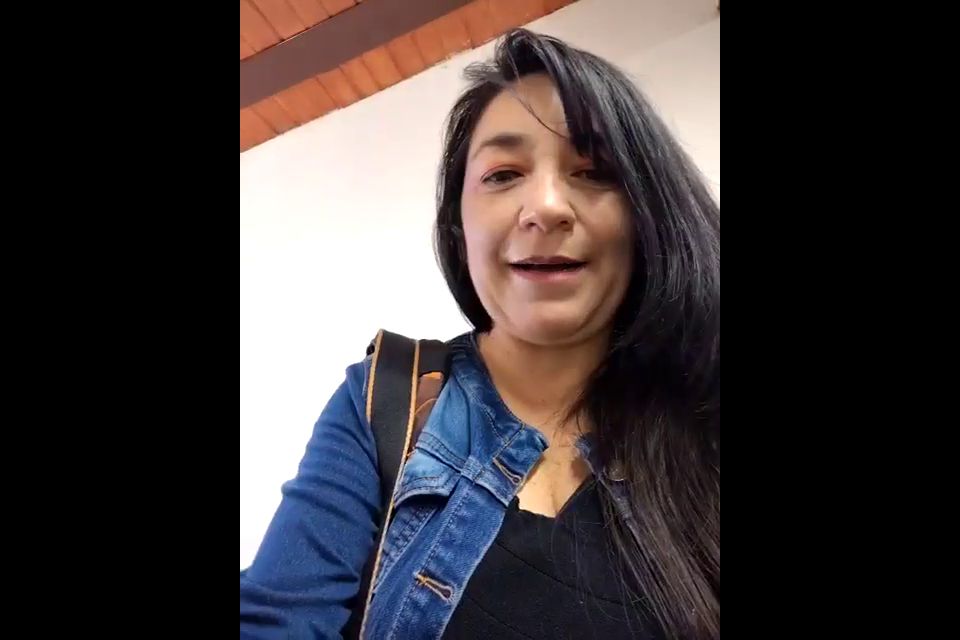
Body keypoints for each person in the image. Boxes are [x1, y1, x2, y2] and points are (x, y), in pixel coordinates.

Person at [240, 28, 720, 640]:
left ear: (646, 214)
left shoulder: (702, 412)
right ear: (459, 224)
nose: (546, 207)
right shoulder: (385, 399)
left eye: (594, 170)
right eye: (503, 174)